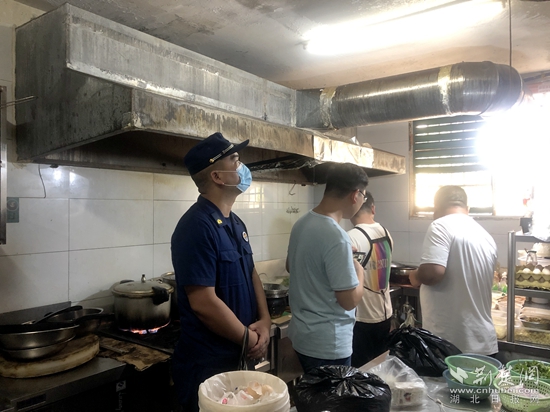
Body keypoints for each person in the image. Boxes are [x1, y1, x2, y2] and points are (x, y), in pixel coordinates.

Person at [171, 132, 271, 411]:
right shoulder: (196, 226)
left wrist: (265, 320)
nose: (242, 167)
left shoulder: (236, 223)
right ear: (217, 176)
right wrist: (249, 338)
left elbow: (252, 273)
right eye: (235, 160)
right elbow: (203, 302)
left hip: (236, 357)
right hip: (208, 365)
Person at [286, 162, 368, 374]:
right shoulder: (337, 236)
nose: (362, 201)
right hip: (329, 345)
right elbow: (349, 301)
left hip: (302, 337)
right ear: (355, 195)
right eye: (364, 196)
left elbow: (290, 266)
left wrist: (340, 257)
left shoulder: (302, 223)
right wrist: (359, 272)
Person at [409, 185, 498, 355]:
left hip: (451, 343)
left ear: (436, 209)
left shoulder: (440, 226)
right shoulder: (485, 236)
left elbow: (432, 273)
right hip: (483, 342)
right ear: (467, 208)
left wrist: (415, 275)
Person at [347, 191, 393, 367]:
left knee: (360, 371)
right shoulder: (386, 233)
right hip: (385, 314)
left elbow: (346, 280)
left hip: (362, 319)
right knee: (379, 368)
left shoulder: (350, 237)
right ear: (373, 208)